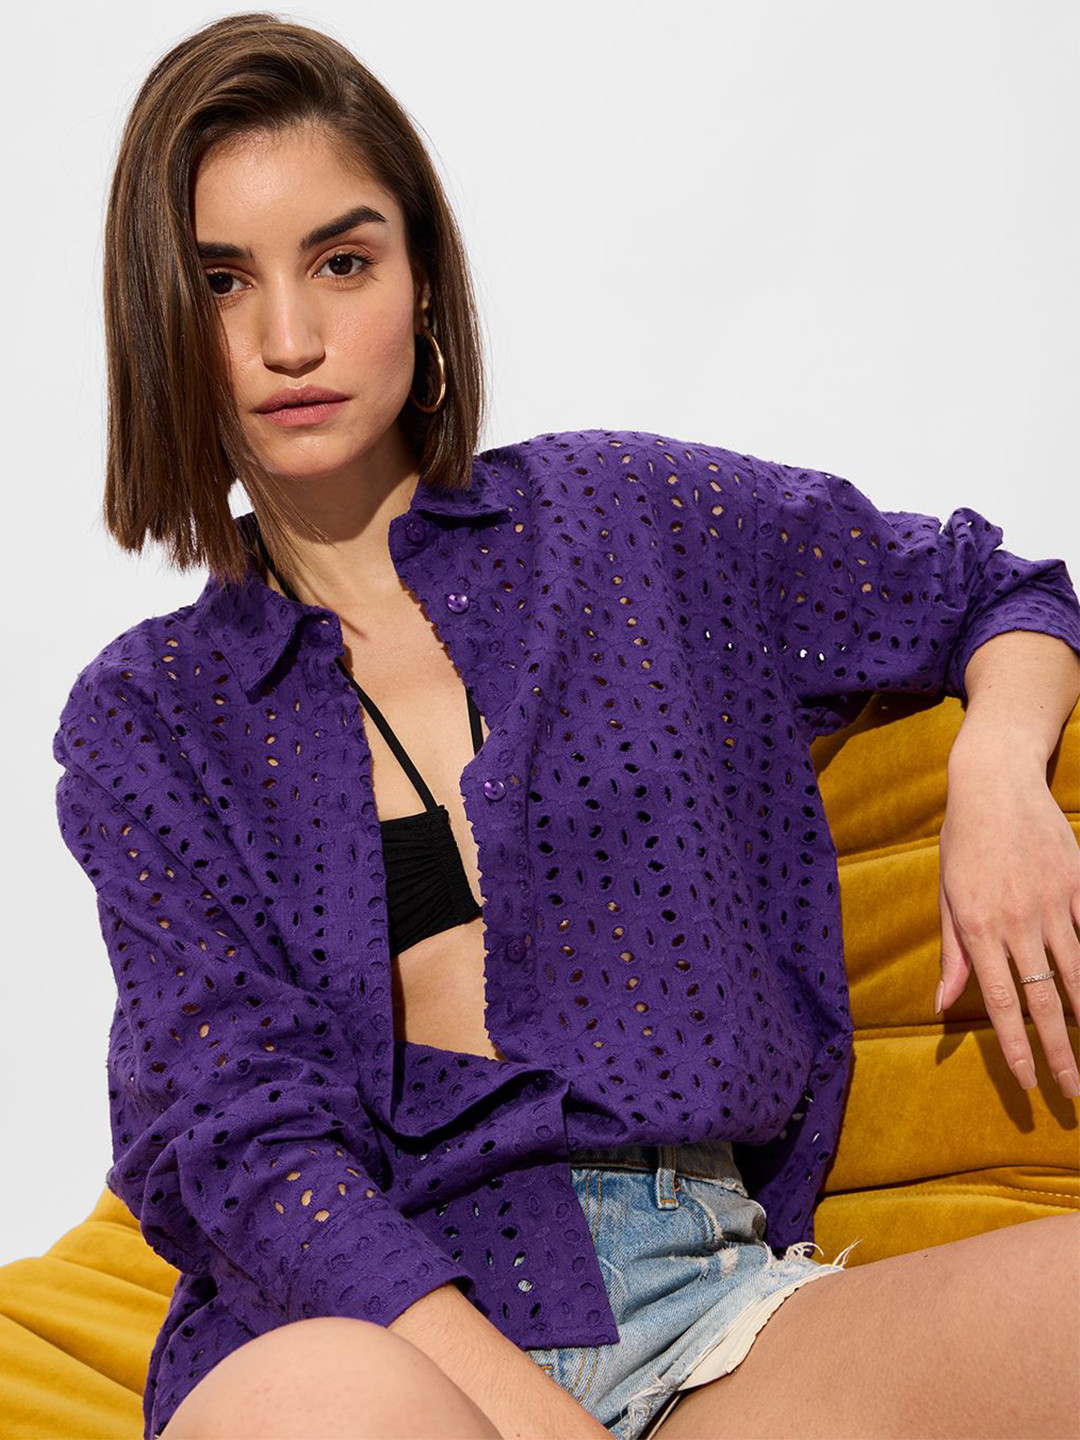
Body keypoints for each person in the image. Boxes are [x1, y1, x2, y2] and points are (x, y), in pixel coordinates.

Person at [50, 12, 1080, 1440]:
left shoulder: (626, 521)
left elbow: (987, 587)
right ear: (160, 323)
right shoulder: (149, 716)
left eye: (342, 262)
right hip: (373, 1348)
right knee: (316, 1406)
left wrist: (1002, 768)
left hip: (708, 1311)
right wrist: (525, 1417)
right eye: (224, 283)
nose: (290, 339)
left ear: (421, 279)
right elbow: (240, 1135)